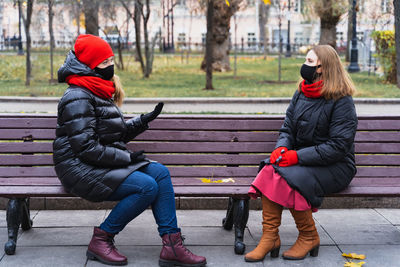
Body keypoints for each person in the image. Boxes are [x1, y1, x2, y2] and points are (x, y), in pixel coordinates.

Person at [53, 34, 206, 267]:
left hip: (96, 162)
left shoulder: (96, 89)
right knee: (146, 187)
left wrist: (143, 121)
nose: (110, 66)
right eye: (104, 63)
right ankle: (102, 238)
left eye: (111, 60)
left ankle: (172, 245)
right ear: (90, 66)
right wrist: (127, 157)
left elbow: (113, 135)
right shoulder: (77, 96)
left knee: (160, 173)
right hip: (78, 168)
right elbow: (85, 147)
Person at [244, 45, 358, 262]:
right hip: (305, 161)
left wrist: (297, 157)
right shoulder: (302, 92)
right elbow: (288, 128)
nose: (304, 65)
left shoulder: (342, 101)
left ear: (322, 67)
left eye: (308, 61)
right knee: (270, 169)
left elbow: (338, 146)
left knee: (291, 178)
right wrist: (282, 147)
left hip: (336, 166)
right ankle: (270, 237)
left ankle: (308, 236)